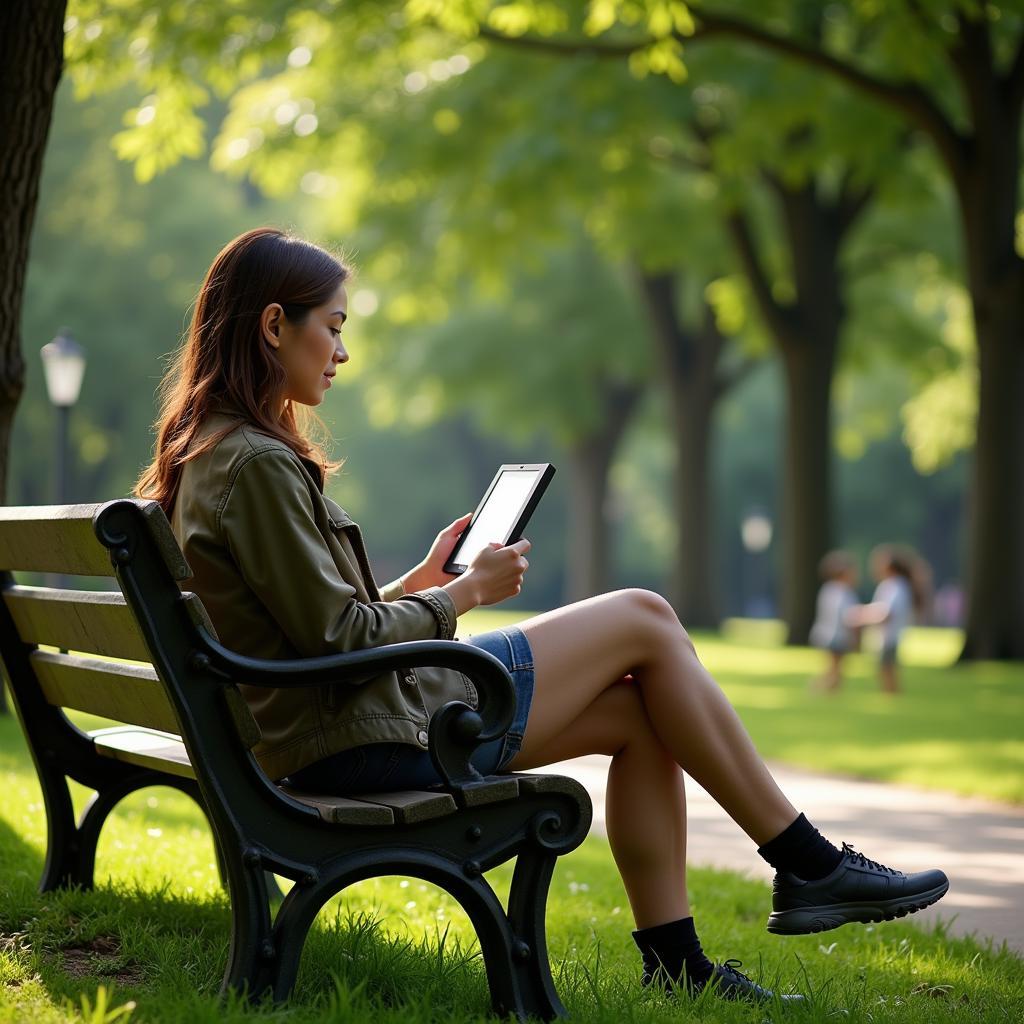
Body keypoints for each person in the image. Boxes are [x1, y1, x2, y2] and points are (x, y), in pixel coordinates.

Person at [136, 228, 949, 1005]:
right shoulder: (255, 463)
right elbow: (338, 641)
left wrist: (419, 579)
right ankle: (805, 861)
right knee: (645, 614)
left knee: (642, 711)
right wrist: (462, 593)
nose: (343, 353)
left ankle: (681, 965)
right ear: (275, 325)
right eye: (334, 328)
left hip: (336, 731)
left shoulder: (213, 454)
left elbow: (311, 631)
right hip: (371, 740)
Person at [849, 545, 926, 695]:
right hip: (888, 635)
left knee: (887, 669)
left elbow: (886, 613)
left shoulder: (894, 586)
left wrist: (862, 615)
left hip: (889, 636)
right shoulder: (896, 585)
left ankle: (891, 696)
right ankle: (891, 696)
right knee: (886, 669)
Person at [809, 550, 860, 692]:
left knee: (836, 668)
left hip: (827, 634)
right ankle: (819, 690)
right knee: (835, 669)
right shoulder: (841, 591)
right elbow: (847, 616)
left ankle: (829, 692)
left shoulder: (828, 589)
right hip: (835, 636)